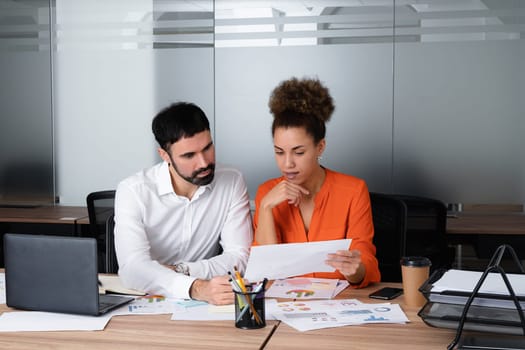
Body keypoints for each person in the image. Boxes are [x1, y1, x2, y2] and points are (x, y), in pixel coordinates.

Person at [114, 102, 253, 305]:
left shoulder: (231, 181)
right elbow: (132, 269)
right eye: (189, 155)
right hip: (150, 300)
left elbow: (241, 257)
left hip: (208, 301)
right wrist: (196, 287)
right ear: (164, 155)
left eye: (207, 148)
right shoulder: (133, 191)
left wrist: (183, 270)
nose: (204, 162)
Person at [253, 77, 381, 288]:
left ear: (320, 147)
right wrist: (266, 207)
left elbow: (365, 259)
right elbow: (265, 272)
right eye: (279, 152)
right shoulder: (267, 193)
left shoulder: (353, 191)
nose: (287, 164)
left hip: (342, 305)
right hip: (285, 308)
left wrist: (355, 270)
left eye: (299, 152)